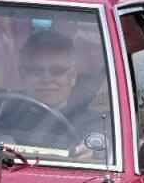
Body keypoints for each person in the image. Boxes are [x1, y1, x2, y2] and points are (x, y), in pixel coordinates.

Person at [15, 28, 107, 156]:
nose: (46, 79)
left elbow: (107, 151)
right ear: (22, 76)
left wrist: (93, 154)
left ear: (73, 76)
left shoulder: (92, 124)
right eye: (36, 70)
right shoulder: (3, 120)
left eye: (57, 70)